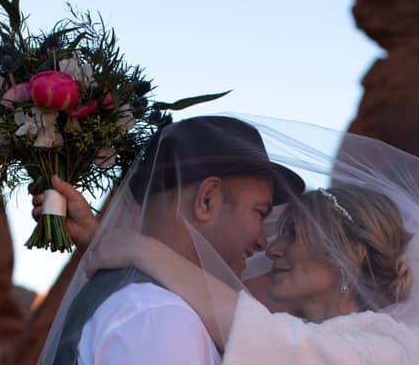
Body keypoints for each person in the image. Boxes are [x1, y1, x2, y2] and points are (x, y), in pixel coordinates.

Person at [38, 114, 419, 365]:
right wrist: (113, 242)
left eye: (291, 233)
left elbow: (266, 336)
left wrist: (136, 246)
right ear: (207, 199)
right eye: (266, 218)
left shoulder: (394, 353)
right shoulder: (157, 316)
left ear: (351, 254)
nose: (269, 245)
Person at [36, 116, 305, 364]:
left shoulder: (133, 300)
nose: (262, 241)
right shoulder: (160, 315)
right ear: (207, 199)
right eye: (260, 212)